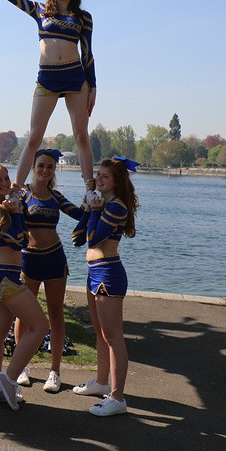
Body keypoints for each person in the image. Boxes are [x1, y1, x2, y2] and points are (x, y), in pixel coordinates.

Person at [0, 0, 97, 199]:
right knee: (34, 137)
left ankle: (89, 190)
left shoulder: (83, 18)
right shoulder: (39, 10)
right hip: (47, 78)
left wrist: (93, 86)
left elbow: (88, 53)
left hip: (76, 78)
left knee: (81, 136)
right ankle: (16, 190)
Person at [70, 157, 138, 417]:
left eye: (105, 177)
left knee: (113, 337)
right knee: (100, 332)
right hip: (94, 272)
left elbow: (93, 238)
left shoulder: (117, 207)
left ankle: (117, 397)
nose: (98, 179)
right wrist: (88, 208)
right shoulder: (103, 203)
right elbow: (78, 239)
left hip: (109, 273)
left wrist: (95, 211)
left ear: (117, 183)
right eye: (98, 174)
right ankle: (101, 382)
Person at [0, 164, 49, 411]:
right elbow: (19, 242)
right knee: (40, 326)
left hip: (4, 275)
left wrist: (18, 205)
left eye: (6, 178)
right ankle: (8, 378)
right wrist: (17, 211)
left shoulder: (2, 206)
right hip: (3, 277)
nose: (5, 182)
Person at [13, 149, 84, 393]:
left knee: (56, 315)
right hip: (28, 261)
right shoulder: (22, 195)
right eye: (41, 165)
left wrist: (96, 205)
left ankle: (55, 371)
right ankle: (21, 367)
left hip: (55, 259)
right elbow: (9, 219)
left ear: (55, 170)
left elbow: (79, 214)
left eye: (50, 167)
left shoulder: (56, 196)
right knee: (24, 315)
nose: (45, 170)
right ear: (33, 166)